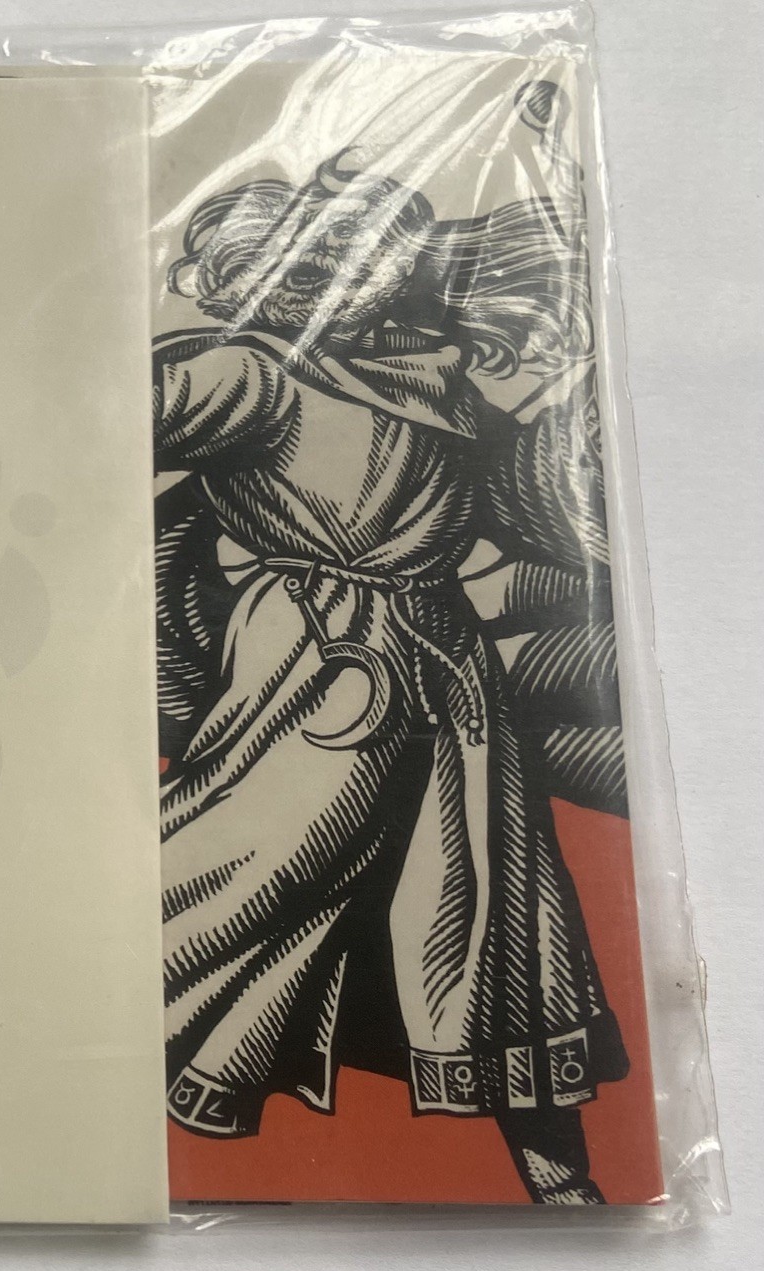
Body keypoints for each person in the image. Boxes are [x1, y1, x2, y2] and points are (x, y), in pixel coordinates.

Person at [154, 144, 627, 1204]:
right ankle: (38, 1070)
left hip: (450, 686)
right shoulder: (244, 373)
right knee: (229, 880)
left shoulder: (445, 385)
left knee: (493, 924)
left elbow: (532, 504)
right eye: (313, 256)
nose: (336, 275)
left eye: (363, 255)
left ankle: (561, 1180)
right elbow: (79, 438)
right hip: (310, 677)